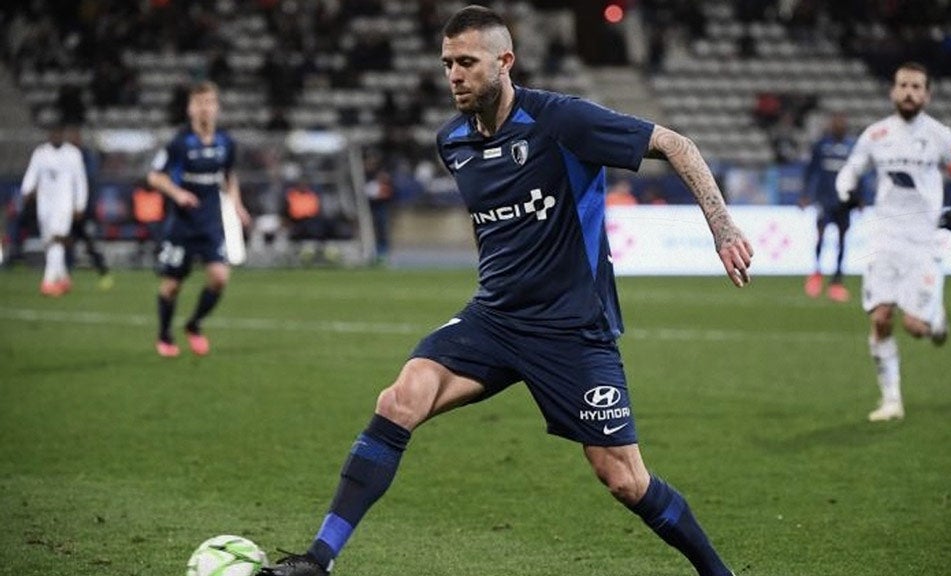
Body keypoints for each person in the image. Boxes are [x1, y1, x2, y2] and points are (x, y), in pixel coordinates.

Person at [258, 6, 752, 576]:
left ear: (504, 62)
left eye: (467, 62)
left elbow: (678, 145)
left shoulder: (562, 120)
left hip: (571, 329)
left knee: (623, 478)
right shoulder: (454, 142)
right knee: (398, 400)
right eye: (447, 64)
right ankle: (317, 561)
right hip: (494, 320)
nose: (454, 75)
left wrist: (723, 227)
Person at [835, 62, 951, 422]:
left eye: (917, 87)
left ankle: (936, 318)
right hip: (885, 237)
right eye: (903, 85)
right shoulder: (876, 134)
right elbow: (850, 170)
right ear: (892, 91)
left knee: (916, 328)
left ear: (927, 94)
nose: (909, 92)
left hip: (924, 242)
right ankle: (891, 401)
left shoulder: (940, 136)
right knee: (881, 318)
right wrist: (847, 190)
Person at [147, 81, 250, 358]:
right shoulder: (179, 143)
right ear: (190, 109)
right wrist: (178, 193)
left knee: (219, 278)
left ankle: (194, 325)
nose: (205, 109)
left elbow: (229, 176)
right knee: (172, 285)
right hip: (182, 223)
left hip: (211, 221)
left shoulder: (225, 142)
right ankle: (165, 335)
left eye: (210, 103)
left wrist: (237, 205)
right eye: (199, 103)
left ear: (217, 107)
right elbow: (155, 176)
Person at [19, 123, 88, 297]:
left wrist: (79, 204)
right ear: (49, 135)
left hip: (64, 204)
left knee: (58, 240)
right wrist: (26, 190)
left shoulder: (73, 154)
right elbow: (31, 175)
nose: (56, 136)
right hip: (45, 205)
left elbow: (80, 181)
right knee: (49, 242)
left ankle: (48, 282)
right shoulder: (41, 153)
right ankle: (64, 279)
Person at [801, 112, 858, 302]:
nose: (838, 126)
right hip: (824, 199)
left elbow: (859, 173)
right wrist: (805, 194)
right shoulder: (822, 145)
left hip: (845, 201)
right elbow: (811, 170)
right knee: (821, 236)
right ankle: (816, 274)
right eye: (835, 123)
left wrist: (862, 198)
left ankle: (837, 281)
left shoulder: (852, 147)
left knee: (842, 240)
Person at [64, 126, 114, 290]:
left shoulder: (86, 157)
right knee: (68, 243)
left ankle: (103, 272)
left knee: (88, 244)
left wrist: (85, 207)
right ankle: (66, 276)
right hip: (68, 209)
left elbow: (88, 181)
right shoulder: (66, 157)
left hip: (84, 210)